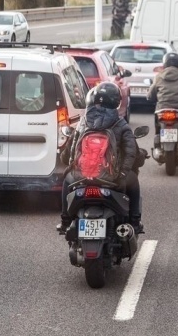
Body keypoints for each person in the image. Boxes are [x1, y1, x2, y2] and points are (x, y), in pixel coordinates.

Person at [57, 82, 142, 235]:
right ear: (116, 102)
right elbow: (131, 152)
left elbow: (71, 148)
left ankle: (64, 221)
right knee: (134, 182)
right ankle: (135, 223)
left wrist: (70, 165)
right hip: (110, 177)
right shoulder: (120, 123)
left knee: (66, 181)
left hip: (81, 176)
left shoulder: (83, 121)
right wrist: (122, 174)